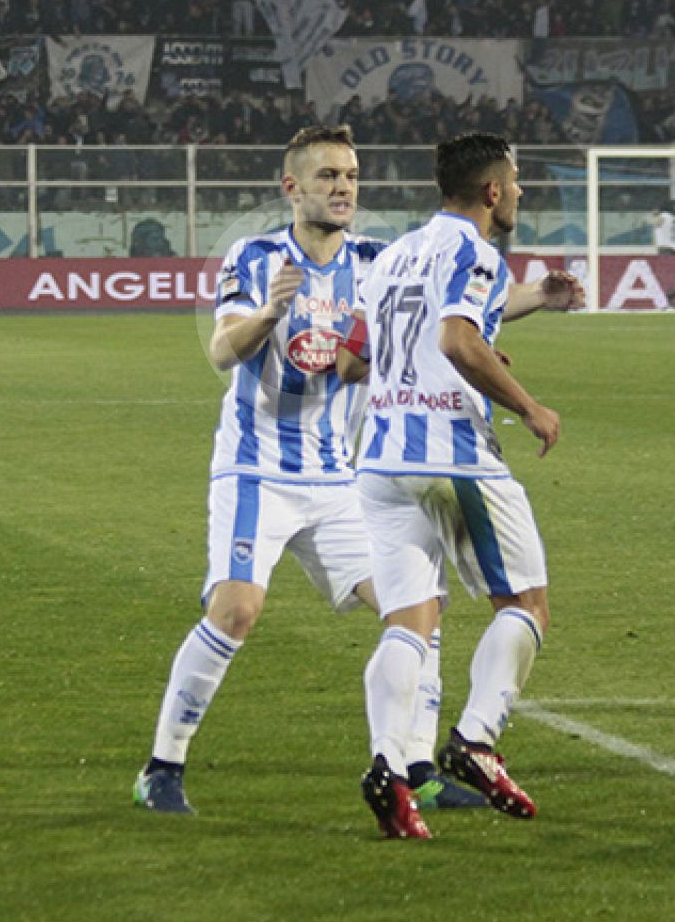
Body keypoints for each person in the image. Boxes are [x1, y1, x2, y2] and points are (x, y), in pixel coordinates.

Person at [134, 125, 487, 818]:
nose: (343, 187)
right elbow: (221, 351)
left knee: (417, 607)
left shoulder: (377, 262)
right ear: (292, 188)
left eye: (351, 175)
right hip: (255, 470)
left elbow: (452, 314)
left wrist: (539, 297)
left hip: (337, 480)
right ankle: (161, 768)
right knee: (236, 611)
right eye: (328, 176)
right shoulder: (256, 256)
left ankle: (416, 767)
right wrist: (271, 311)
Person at [341, 131, 583, 839]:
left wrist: (466, 348)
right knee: (526, 605)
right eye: (517, 182)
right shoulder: (476, 253)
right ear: (492, 190)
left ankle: (389, 767)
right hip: (451, 453)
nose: (520, 193)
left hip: (380, 460)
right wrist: (527, 406)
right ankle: (476, 739)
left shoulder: (391, 256)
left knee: (409, 622)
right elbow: (455, 339)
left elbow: (354, 361)